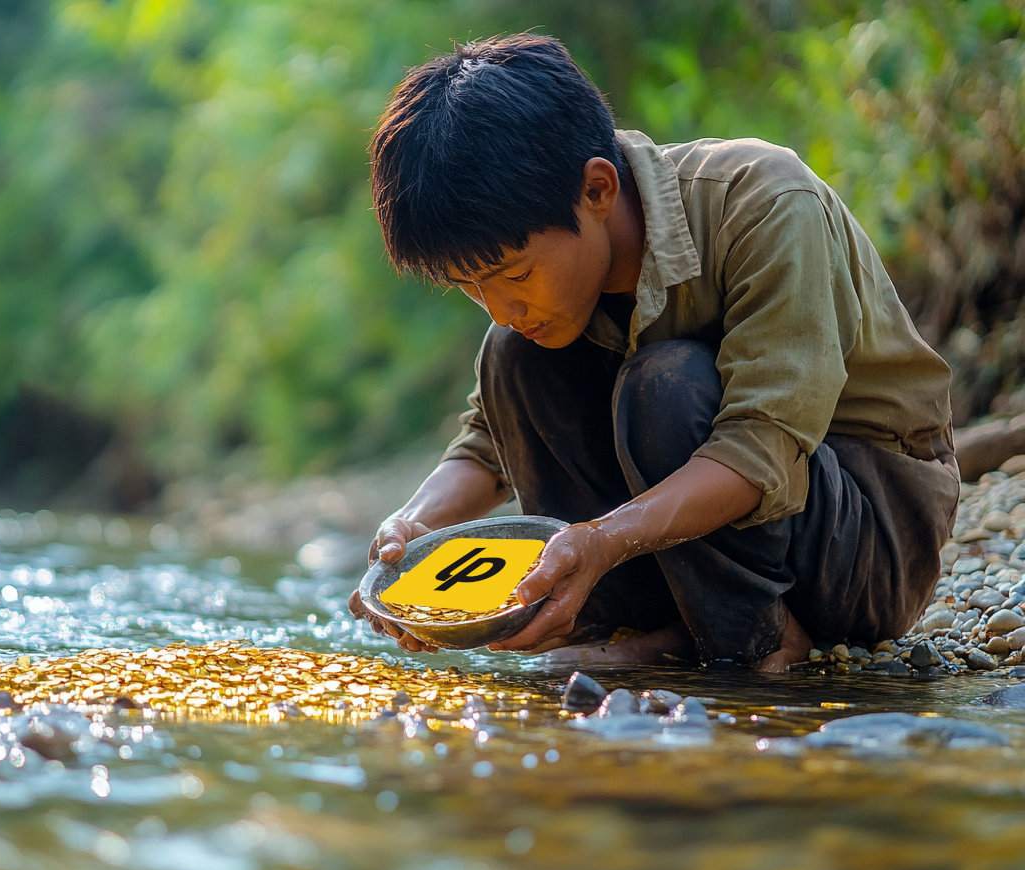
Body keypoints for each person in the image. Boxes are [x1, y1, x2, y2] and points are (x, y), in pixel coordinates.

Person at [346, 34, 959, 672]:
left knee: (663, 384)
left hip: (865, 536)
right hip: (678, 546)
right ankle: (650, 627)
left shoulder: (764, 203)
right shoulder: (544, 304)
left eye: (515, 275)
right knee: (511, 357)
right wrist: (409, 529)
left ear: (598, 190)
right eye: (470, 287)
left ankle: (762, 640)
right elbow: (486, 448)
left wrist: (603, 539)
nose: (499, 306)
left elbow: (760, 450)